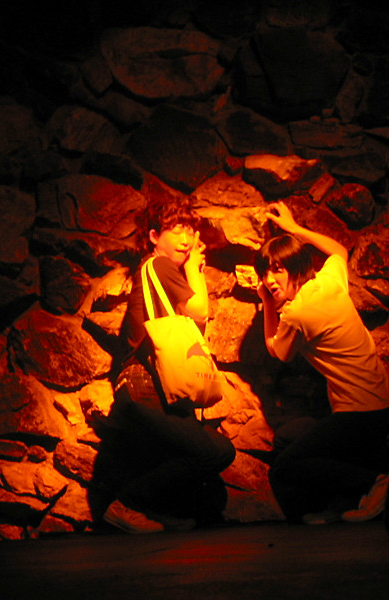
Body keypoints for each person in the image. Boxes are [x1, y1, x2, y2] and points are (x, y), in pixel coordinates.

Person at [255, 201, 389, 525]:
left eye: (277, 269)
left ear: (295, 266)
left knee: (284, 467)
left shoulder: (296, 314)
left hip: (359, 415)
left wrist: (266, 305)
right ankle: (341, 501)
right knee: (292, 440)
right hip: (383, 406)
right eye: (265, 272)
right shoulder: (328, 282)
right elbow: (338, 251)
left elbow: (276, 350)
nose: (269, 280)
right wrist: (295, 230)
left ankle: (376, 483)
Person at [100, 197, 236, 534]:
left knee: (198, 453)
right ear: (153, 236)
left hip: (154, 388)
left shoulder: (158, 274)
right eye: (176, 230)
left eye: (190, 231)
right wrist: (194, 269)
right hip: (145, 385)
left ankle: (154, 510)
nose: (185, 240)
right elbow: (200, 312)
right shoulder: (159, 266)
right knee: (214, 452)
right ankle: (126, 504)